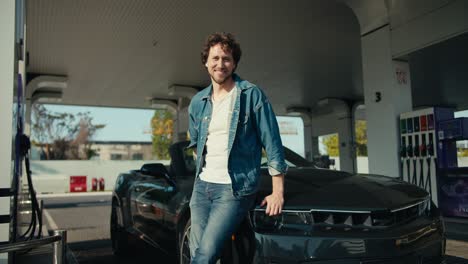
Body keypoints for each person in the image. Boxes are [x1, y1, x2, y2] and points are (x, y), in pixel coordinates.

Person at [187, 32, 287, 264]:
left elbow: (272, 142)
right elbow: (196, 144)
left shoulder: (251, 95)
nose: (220, 64)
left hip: (233, 189)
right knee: (198, 253)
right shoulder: (198, 102)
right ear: (206, 62)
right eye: (215, 58)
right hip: (202, 188)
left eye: (226, 59)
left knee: (205, 254)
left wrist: (277, 192)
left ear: (234, 63)